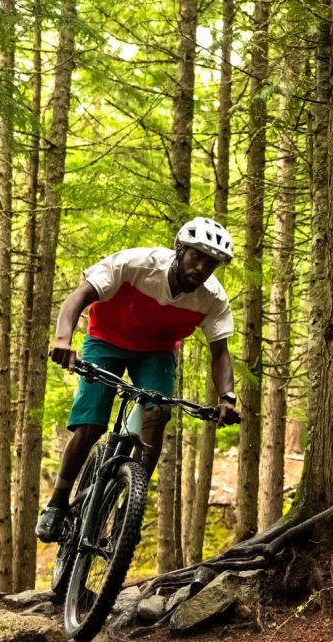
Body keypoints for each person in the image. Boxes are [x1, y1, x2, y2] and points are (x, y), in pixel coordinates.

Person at [35, 216, 242, 542]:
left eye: (211, 263)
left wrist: (227, 398)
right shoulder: (136, 264)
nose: (202, 267)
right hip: (105, 340)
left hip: (156, 352)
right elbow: (78, 298)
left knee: (155, 416)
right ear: (180, 249)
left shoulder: (212, 298)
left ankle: (128, 507)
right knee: (90, 424)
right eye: (196, 256)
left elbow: (220, 353)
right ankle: (57, 503)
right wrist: (63, 339)